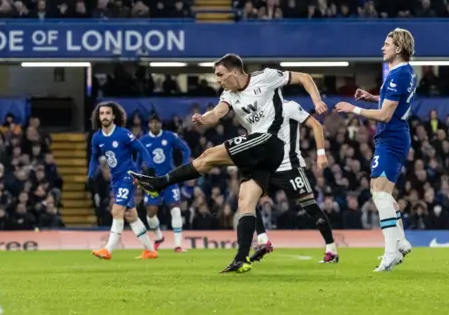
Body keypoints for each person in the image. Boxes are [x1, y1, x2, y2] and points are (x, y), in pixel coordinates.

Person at [130, 53, 327, 273]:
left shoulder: (266, 77)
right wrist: (204, 119)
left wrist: (317, 101)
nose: (218, 79)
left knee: (208, 156)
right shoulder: (229, 94)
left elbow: (305, 77)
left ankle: (160, 182)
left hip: (270, 141)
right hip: (259, 153)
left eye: (220, 74)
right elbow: (217, 113)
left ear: (234, 72)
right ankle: (242, 258)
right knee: (245, 201)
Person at [335, 28, 416, 271]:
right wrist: (372, 97)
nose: (383, 47)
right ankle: (401, 242)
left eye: (387, 43)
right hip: (396, 135)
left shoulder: (396, 75)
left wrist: (354, 110)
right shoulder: (406, 72)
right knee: (382, 192)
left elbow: (384, 114)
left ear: (398, 48)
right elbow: (393, 102)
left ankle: (391, 252)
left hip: (390, 137)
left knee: (380, 194)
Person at [250, 100, 338, 263]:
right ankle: (263, 242)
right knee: (248, 200)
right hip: (268, 168)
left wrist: (320, 153)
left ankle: (331, 250)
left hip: (290, 167)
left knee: (310, 207)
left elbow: (316, 125)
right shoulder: (259, 110)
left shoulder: (289, 106)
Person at [88, 102, 159, 260]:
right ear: (98, 117)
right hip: (116, 179)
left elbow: (141, 148)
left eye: (108, 113)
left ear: (114, 116)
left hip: (128, 176)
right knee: (131, 215)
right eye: (102, 113)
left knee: (116, 211)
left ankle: (108, 249)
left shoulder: (123, 134)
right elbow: (93, 158)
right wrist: (90, 176)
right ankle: (150, 250)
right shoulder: (97, 137)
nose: (105, 116)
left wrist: (151, 167)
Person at [139, 113, 191, 252]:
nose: (154, 125)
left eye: (157, 122)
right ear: (148, 125)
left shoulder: (170, 136)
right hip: (153, 181)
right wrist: (138, 174)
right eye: (152, 123)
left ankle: (178, 245)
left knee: (175, 208)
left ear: (161, 124)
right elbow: (138, 159)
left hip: (169, 179)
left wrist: (185, 166)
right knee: (150, 213)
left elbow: (185, 149)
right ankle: (158, 237)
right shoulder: (143, 140)